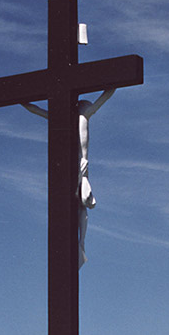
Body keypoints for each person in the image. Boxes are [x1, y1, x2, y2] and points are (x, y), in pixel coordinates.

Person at [21, 89, 115, 268]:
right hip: (71, 166)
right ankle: (80, 245)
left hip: (80, 165)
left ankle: (81, 244)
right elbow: (36, 110)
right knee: (78, 203)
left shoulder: (82, 115)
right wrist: (23, 102)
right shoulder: (68, 116)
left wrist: (114, 86)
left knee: (83, 202)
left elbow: (101, 100)